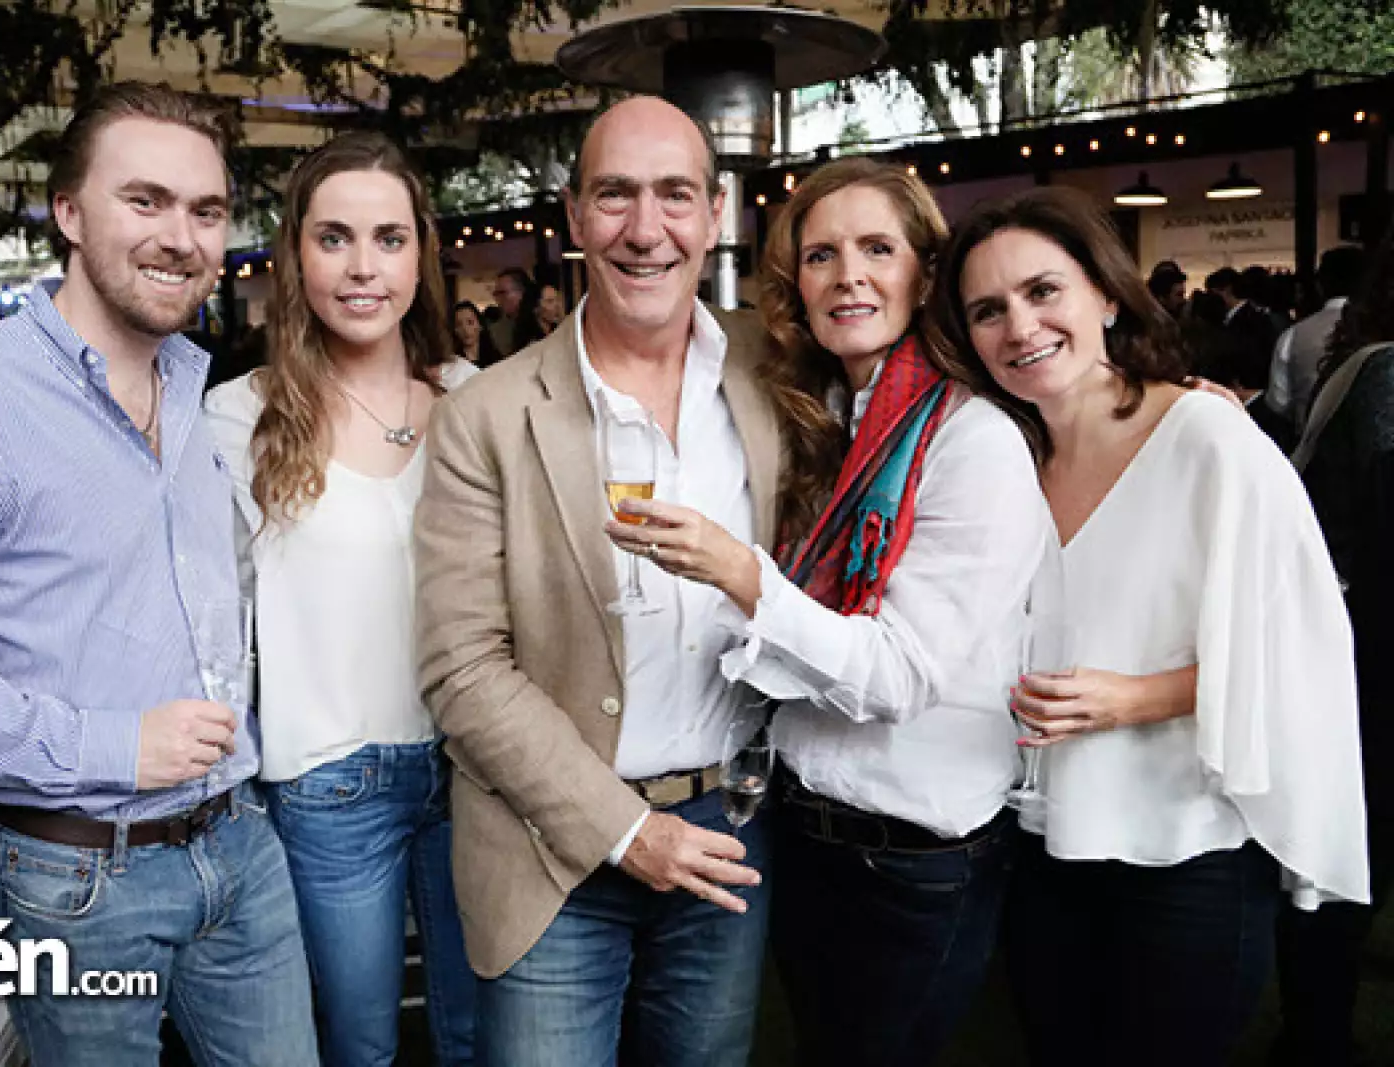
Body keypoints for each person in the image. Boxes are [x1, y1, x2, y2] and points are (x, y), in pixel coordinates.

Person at [0, 82, 316, 1067]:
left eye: (205, 210)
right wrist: (108, 743)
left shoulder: (196, 384)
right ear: (67, 212)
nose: (181, 236)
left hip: (239, 841)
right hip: (70, 872)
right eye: (145, 201)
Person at [602, 156, 1048, 1065]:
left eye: (877, 248)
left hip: (915, 859)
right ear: (792, 285)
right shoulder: (818, 422)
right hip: (803, 834)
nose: (848, 274)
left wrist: (740, 574)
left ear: (926, 270)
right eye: (821, 255)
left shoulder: (973, 439)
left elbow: (898, 673)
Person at [936, 187, 1369, 1067]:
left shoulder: (1206, 435)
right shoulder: (1002, 457)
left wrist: (1135, 697)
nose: (1019, 326)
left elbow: (1308, 652)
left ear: (1104, 293)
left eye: (1042, 290)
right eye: (989, 310)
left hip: (1187, 851)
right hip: (1044, 849)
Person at [414, 95, 777, 1066]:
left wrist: (1128, 390)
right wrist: (624, 830)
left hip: (727, 828)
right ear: (574, 217)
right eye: (614, 195)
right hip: (546, 848)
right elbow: (460, 667)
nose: (644, 228)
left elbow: (926, 382)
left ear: (714, 215)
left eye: (673, 195)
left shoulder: (772, 370)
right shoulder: (485, 414)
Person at [204, 132, 478, 1067]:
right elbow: (212, 610)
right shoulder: (237, 415)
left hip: (476, 765)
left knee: (480, 1035)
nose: (364, 267)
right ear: (295, 255)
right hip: (328, 781)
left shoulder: (474, 399)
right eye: (335, 238)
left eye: (389, 238)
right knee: (357, 1044)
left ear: (421, 253)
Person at [1280, 225, 1394, 1067]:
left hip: (1352, 642)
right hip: (1368, 650)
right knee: (1357, 841)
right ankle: (1317, 1031)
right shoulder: (1385, 374)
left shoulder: (1357, 359)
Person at [1267, 244, 1366, 434]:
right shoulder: (1381, 329)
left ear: (1320, 285)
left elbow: (1279, 403)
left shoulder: (1293, 335)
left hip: (1312, 447)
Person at [488, 267, 531, 357]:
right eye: (496, 294)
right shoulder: (496, 332)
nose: (498, 299)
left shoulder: (540, 323)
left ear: (521, 293)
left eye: (502, 293)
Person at [452, 299, 504, 368]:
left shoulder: (496, 358)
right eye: (458, 325)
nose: (465, 329)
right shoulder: (453, 362)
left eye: (470, 322)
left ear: (480, 325)